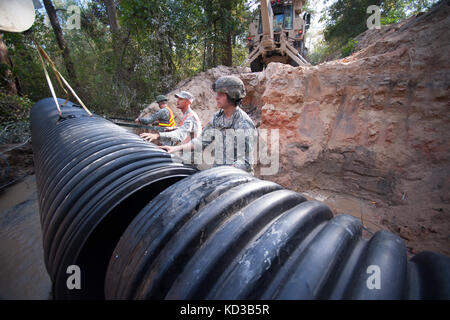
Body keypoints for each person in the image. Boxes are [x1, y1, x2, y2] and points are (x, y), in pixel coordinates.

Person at [160, 76, 256, 174]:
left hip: (238, 179)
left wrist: (224, 173)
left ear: (232, 96)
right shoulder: (217, 118)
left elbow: (245, 162)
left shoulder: (244, 124)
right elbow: (201, 141)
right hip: (221, 174)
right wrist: (175, 148)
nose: (216, 97)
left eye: (221, 94)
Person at [140, 91, 202, 161]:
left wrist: (158, 135)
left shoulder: (190, 117)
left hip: (191, 155)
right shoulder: (188, 114)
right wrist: (173, 128)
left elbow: (180, 134)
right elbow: (188, 129)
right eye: (178, 99)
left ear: (187, 102)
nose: (178, 101)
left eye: (181, 99)